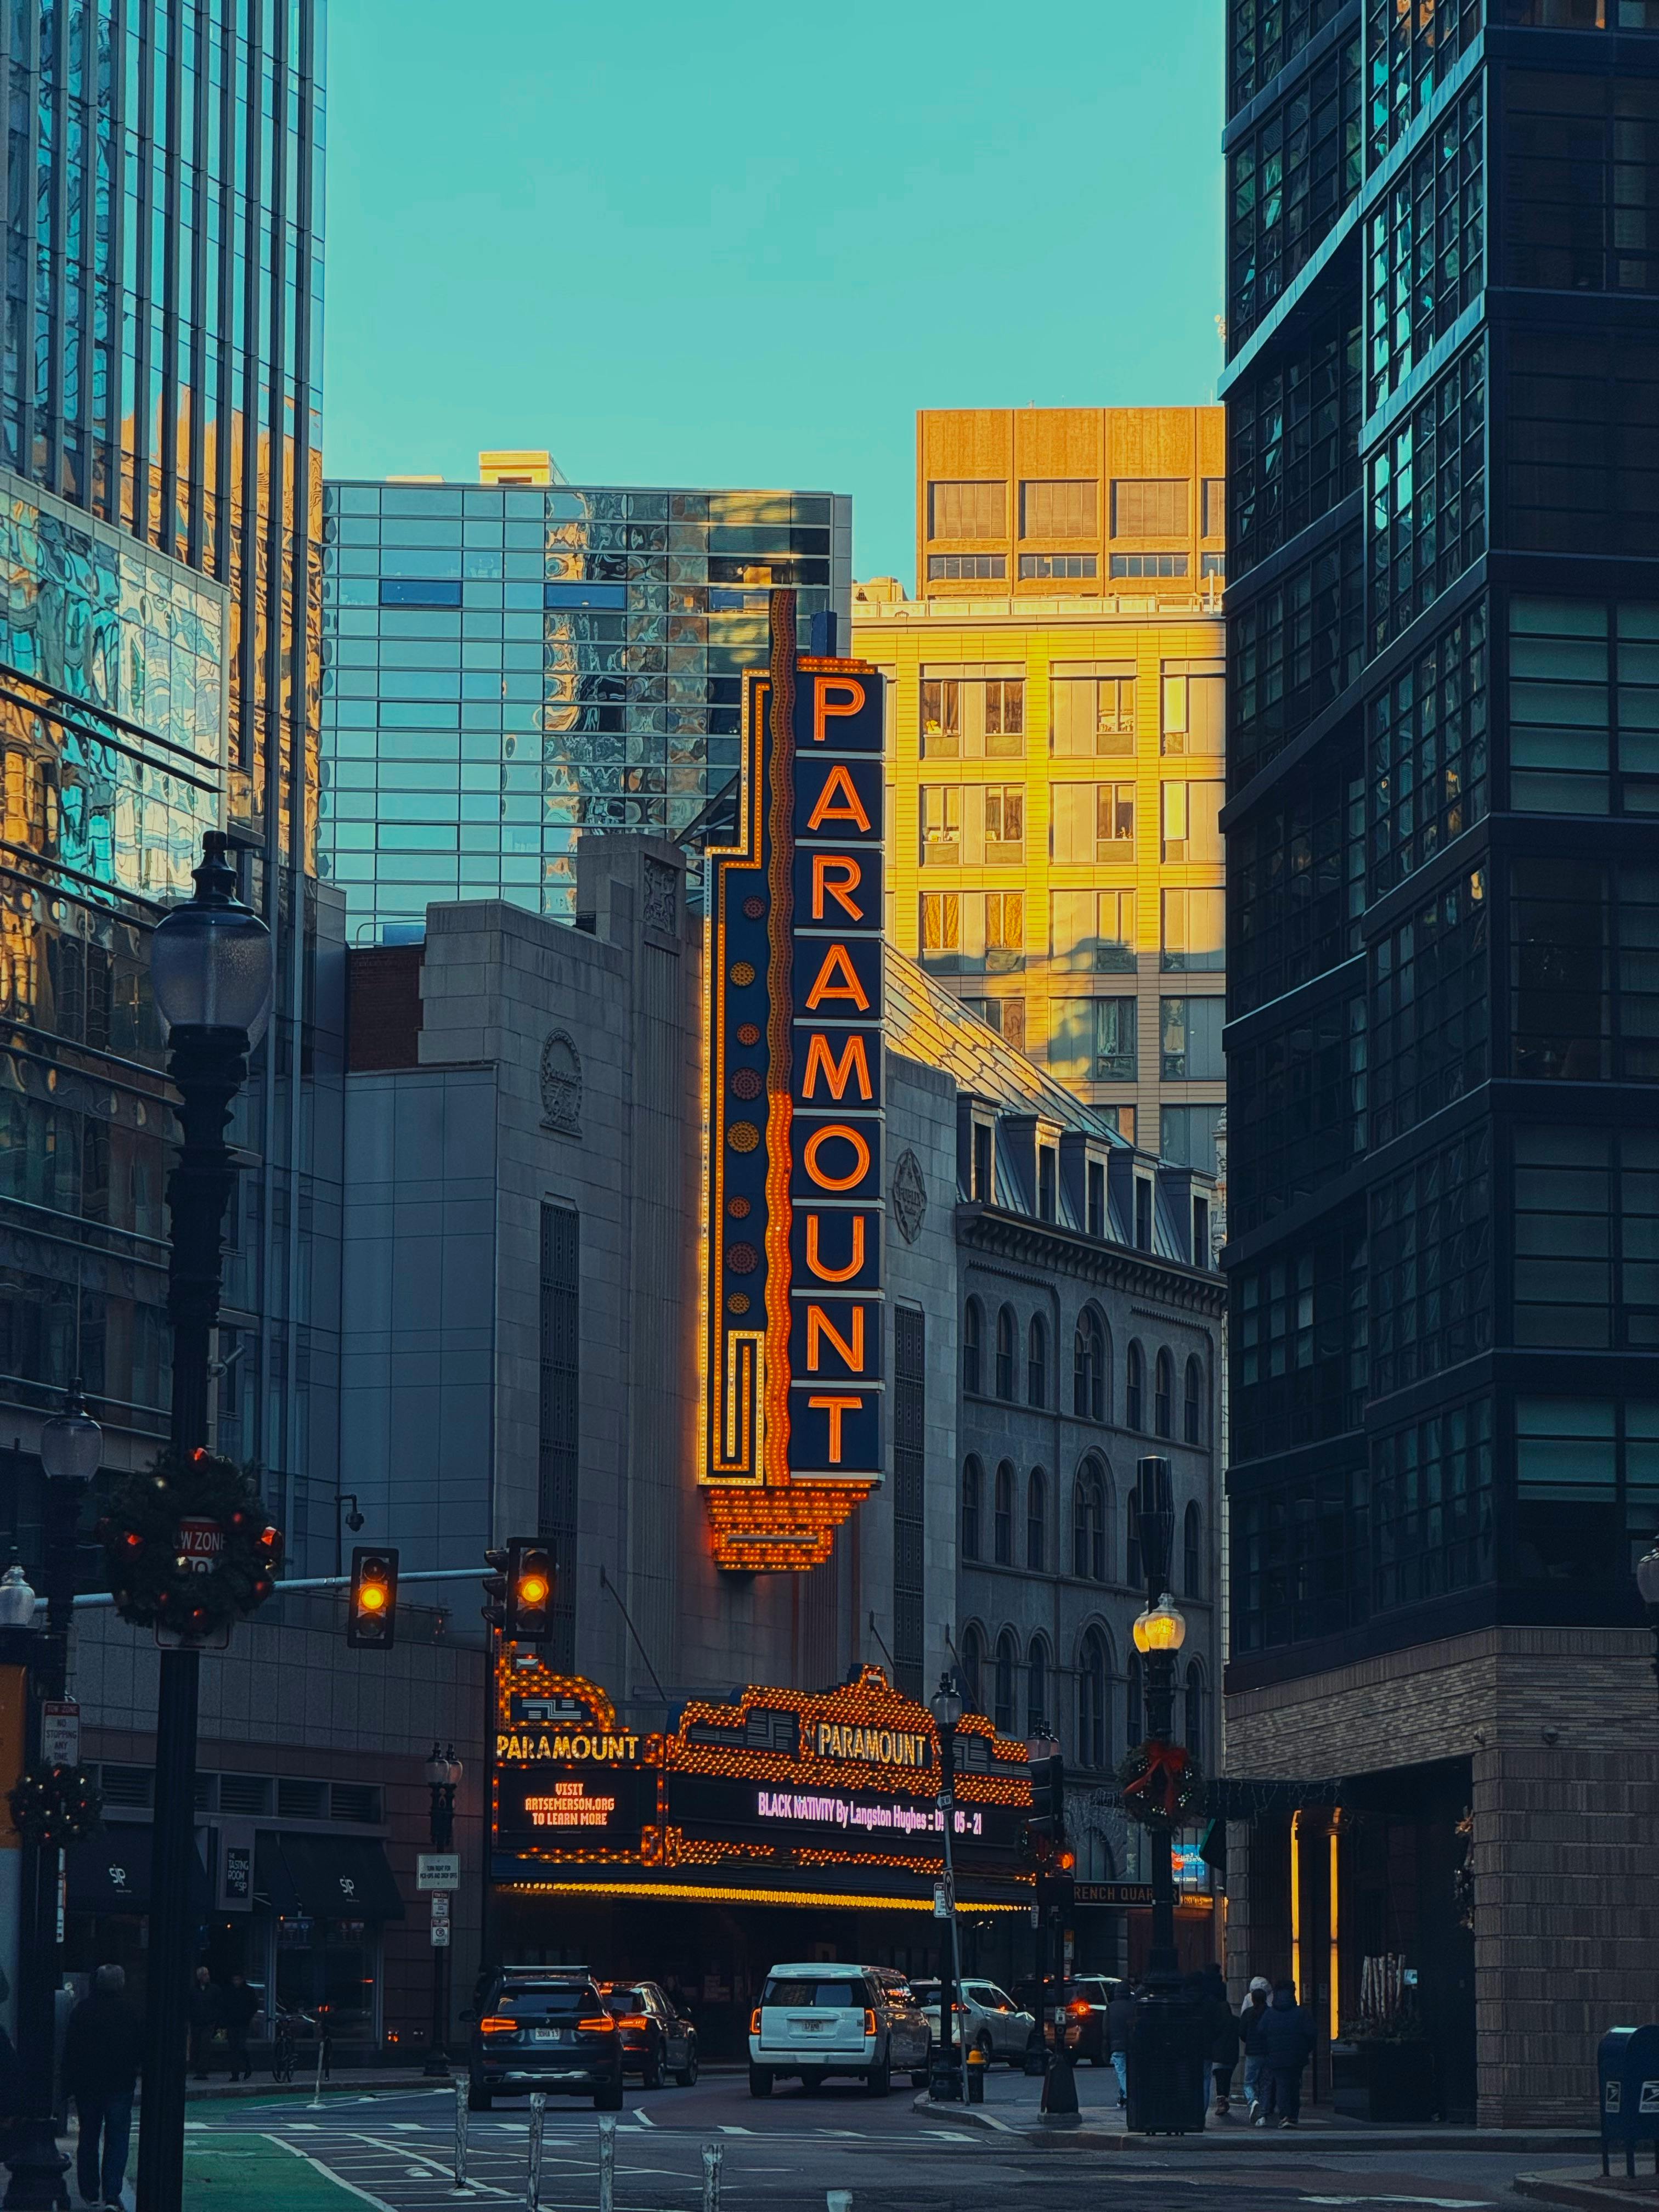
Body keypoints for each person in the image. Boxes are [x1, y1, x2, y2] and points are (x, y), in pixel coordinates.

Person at [63, 1963, 143, 2211]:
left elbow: (71, 2051)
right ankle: (111, 2192)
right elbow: (139, 2048)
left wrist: (68, 2085)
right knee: (117, 2138)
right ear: (120, 1983)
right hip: (119, 2083)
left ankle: (90, 2191)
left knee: (88, 2137)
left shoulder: (83, 2010)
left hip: (88, 2085)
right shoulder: (130, 2011)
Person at [1259, 1978, 1314, 2129]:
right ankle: (1293, 2115)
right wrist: (1305, 2050)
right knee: (1294, 2085)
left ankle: (1284, 2115)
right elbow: (1311, 2034)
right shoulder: (1301, 2013)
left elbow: (1261, 2033)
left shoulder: (1270, 2014)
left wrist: (1268, 2051)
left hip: (1275, 2056)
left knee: (1282, 2085)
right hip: (1297, 2056)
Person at [1200, 1962, 1240, 2116]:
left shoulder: (1205, 1989)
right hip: (1227, 2053)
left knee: (1212, 2077)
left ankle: (1218, 2101)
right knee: (1221, 2077)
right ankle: (1223, 2098)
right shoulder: (1221, 1987)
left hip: (1213, 2046)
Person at [1239, 1976, 1272, 2119]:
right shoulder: (1271, 2013)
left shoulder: (1248, 2013)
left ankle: (1253, 2101)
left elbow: (1242, 2032)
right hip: (1268, 2051)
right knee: (1266, 2083)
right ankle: (1264, 2113)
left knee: (1249, 2083)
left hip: (1252, 2051)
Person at [221, 1972, 259, 2083]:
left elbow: (254, 2006)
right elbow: (225, 2005)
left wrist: (248, 2016)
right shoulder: (229, 1991)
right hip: (232, 2023)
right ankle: (235, 2074)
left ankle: (247, 2064)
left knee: (241, 2046)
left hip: (243, 2023)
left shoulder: (249, 1991)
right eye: (234, 1980)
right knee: (233, 2048)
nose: (236, 1982)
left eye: (238, 1979)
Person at [188, 1964, 222, 2079]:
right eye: (205, 1975)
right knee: (196, 2045)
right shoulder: (193, 1991)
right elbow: (190, 2005)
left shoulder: (214, 1990)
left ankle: (203, 2070)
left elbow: (219, 2005)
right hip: (196, 2022)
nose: (207, 1977)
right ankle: (196, 2066)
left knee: (205, 2046)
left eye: (207, 1974)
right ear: (200, 1977)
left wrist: (214, 2018)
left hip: (208, 2022)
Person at [1105, 1979, 1135, 2109]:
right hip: (1132, 2044)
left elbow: (1105, 2029)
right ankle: (1123, 2096)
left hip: (1117, 2044)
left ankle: (1128, 2096)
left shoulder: (1111, 2007)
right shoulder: (1133, 2007)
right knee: (1128, 2071)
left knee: (1122, 2071)